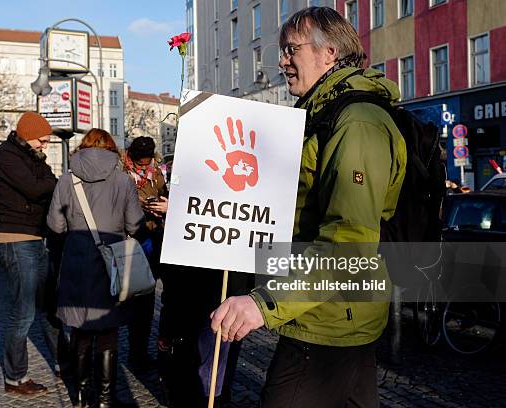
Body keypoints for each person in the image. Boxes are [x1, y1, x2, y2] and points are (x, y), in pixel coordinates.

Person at [210, 7, 407, 408]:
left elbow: (349, 242)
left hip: (327, 323)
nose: (282, 61)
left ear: (329, 52)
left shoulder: (356, 123)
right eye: (281, 52)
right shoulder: (322, 115)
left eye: (290, 50)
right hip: (333, 315)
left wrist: (265, 303)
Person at [47, 128, 144, 407]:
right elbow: (134, 225)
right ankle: (104, 399)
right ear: (111, 148)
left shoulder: (67, 179)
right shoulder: (124, 181)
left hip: (77, 262)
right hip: (111, 262)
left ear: (83, 147)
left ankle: (78, 395)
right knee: (108, 331)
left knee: (79, 328)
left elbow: (55, 225)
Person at [0, 111, 57, 396]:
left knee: (44, 307)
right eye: (42, 140)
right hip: (16, 239)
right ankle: (15, 378)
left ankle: (61, 361)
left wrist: (49, 181)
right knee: (23, 314)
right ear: (28, 134)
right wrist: (51, 184)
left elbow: (49, 181)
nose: (45, 145)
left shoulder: (33, 156)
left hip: (34, 237)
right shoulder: (6, 155)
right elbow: (35, 188)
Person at [122, 136, 168, 371]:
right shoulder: (120, 172)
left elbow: (166, 194)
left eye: (146, 162)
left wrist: (163, 205)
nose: (142, 167)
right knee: (139, 299)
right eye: (139, 163)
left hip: (157, 236)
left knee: (153, 299)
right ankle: (136, 352)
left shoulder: (158, 172)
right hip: (134, 239)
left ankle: (153, 349)